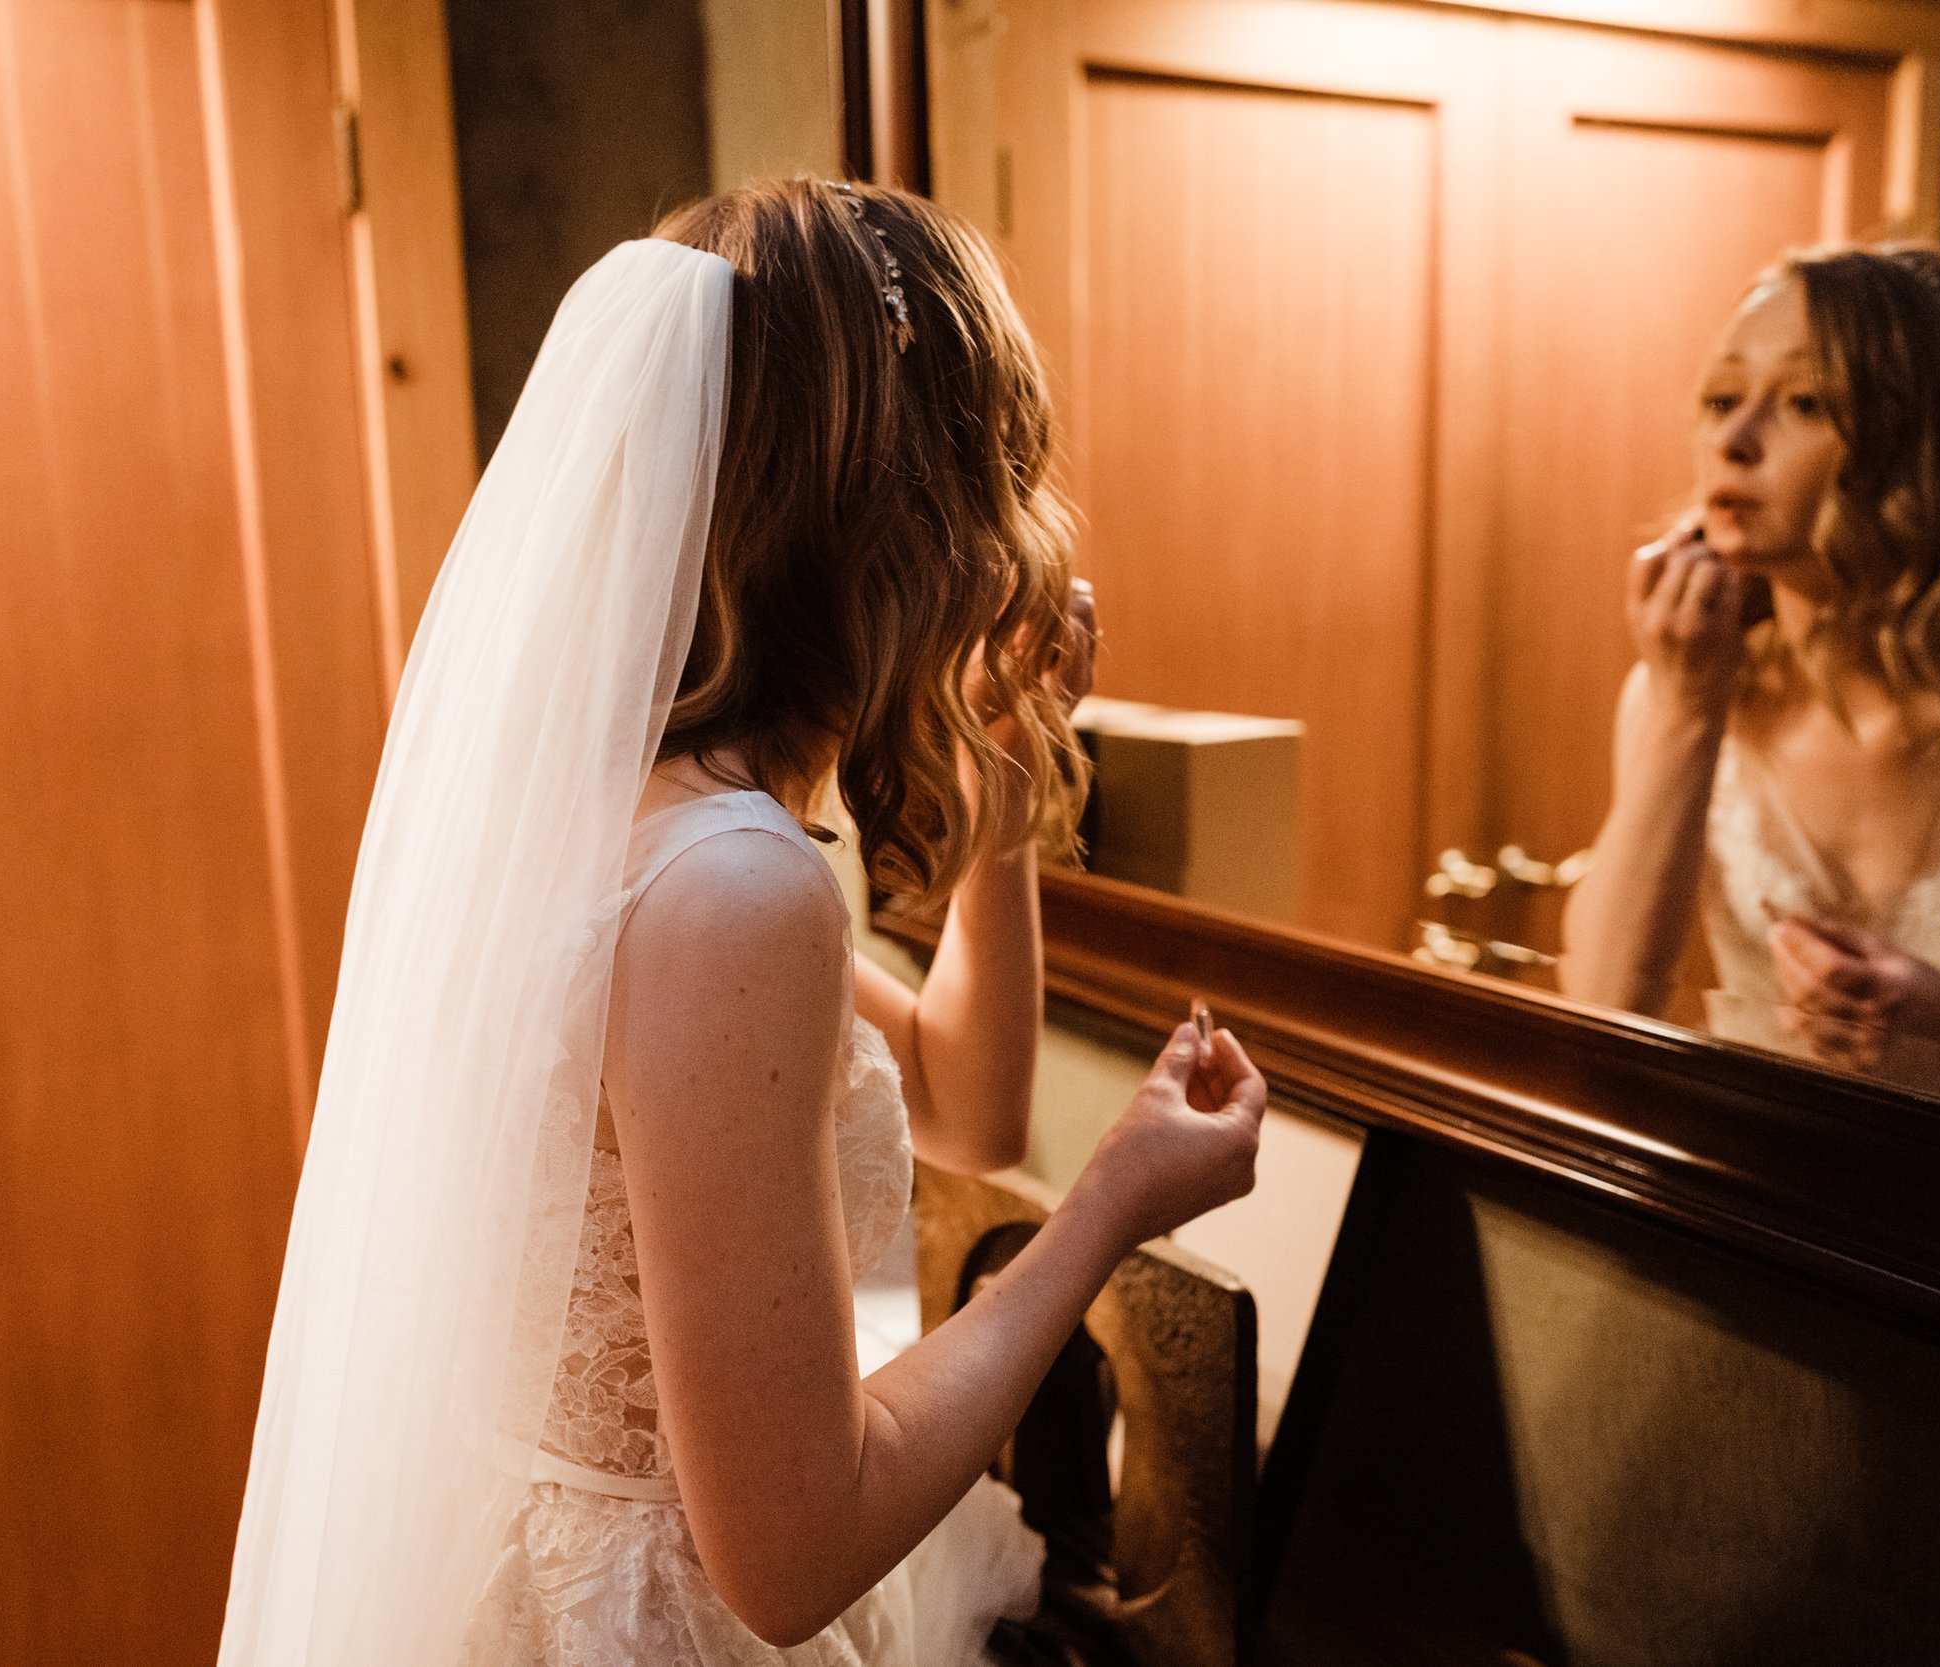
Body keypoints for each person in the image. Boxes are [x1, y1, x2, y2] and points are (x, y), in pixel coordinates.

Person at [215, 177, 1267, 1667]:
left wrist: (1011, 779)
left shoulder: (640, 819)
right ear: (903, 510)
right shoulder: (732, 887)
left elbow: (972, 1101)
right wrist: (1110, 1208)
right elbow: (788, 1552)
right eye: (992, 476)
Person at [1559, 243, 1940, 1104]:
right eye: (1721, 398)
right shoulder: (1686, 690)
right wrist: (1684, 708)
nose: (1733, 440)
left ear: (1922, 445)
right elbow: (1606, 1003)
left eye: (1802, 402)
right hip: (1749, 1189)